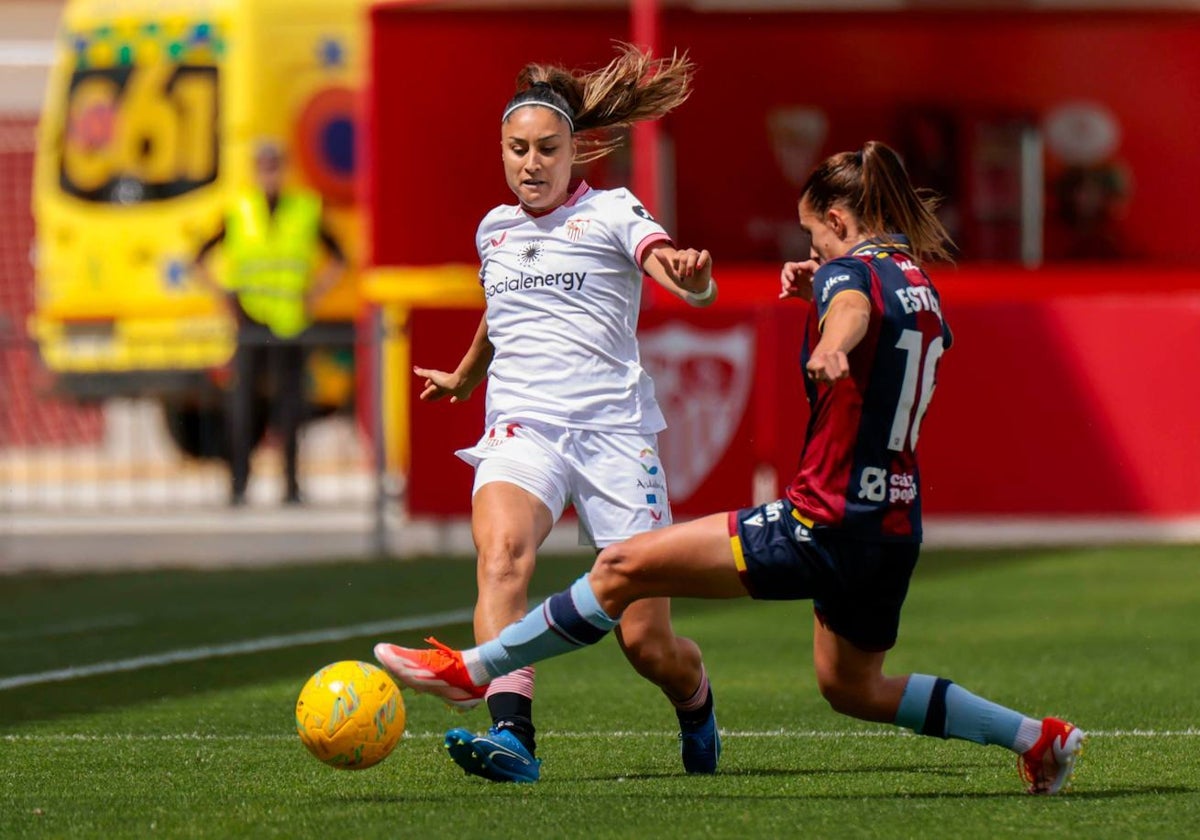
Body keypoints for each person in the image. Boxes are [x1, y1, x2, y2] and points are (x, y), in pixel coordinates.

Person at [374, 141, 1086, 795]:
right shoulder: (917, 283)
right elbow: (874, 309)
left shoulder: (845, 279)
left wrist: (833, 333)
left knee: (622, 568)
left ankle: (475, 669)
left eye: (813, 233)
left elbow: (851, 313)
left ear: (838, 220)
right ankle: (1038, 739)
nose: (810, 248)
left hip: (820, 521)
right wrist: (831, 290)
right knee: (853, 687)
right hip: (892, 528)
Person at [375, 45, 722, 784]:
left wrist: (693, 283)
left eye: (546, 150)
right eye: (517, 149)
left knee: (646, 643)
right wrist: (469, 377)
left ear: (574, 152)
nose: (531, 164)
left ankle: (695, 701)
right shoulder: (493, 230)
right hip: (522, 427)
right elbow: (503, 312)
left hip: (613, 435)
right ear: (502, 151)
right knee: (501, 557)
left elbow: (667, 265)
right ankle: (513, 738)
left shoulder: (611, 212)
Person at [192, 141, 346, 506]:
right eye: (263, 166)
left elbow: (339, 257)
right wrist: (223, 297)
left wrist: (315, 293)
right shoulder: (238, 209)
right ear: (254, 170)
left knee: (290, 409)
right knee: (242, 407)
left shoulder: (304, 208)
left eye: (274, 165)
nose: (269, 173)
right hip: (249, 321)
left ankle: (291, 487)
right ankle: (238, 486)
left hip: (290, 322)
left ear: (284, 168)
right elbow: (199, 259)